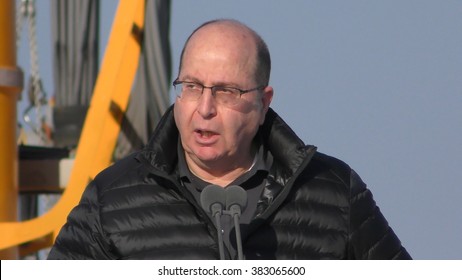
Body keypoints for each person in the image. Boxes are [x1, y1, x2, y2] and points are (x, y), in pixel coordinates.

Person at [48, 19, 411, 260]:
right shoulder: (113, 197)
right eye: (191, 87)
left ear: (263, 101)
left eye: (225, 92)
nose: (204, 108)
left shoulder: (333, 192)